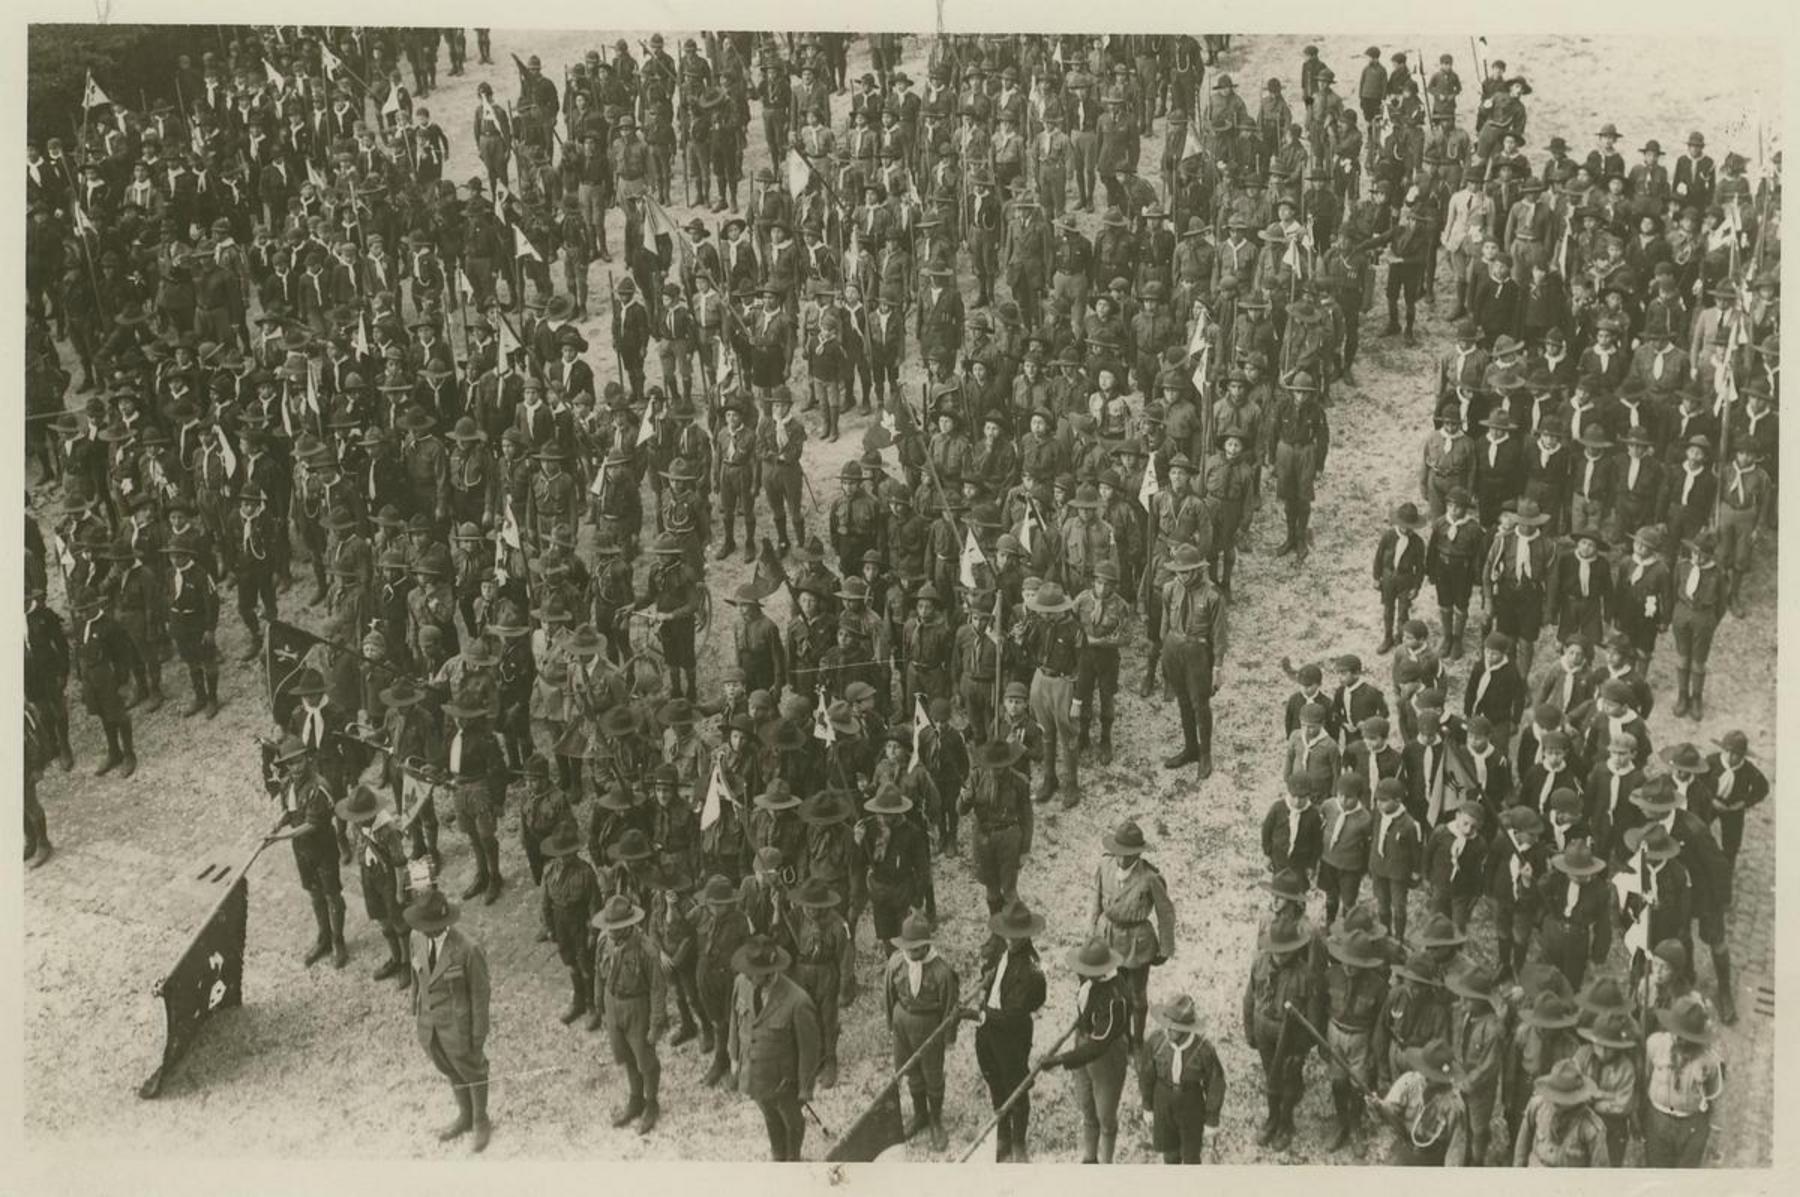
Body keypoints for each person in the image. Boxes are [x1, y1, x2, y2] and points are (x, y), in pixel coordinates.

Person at [406, 888, 493, 1152]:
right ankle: (464, 1116)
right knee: (450, 1069)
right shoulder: (416, 937)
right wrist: (415, 1006)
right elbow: (416, 976)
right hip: (430, 1024)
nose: (427, 931)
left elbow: (480, 995)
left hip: (459, 1026)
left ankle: (480, 1120)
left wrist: (478, 1034)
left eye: (432, 927)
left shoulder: (467, 949)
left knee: (473, 1070)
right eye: (423, 926)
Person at [729, 933, 822, 1161]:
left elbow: (810, 1050)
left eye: (754, 973)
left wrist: (805, 1088)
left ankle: (793, 1157)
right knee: (769, 1114)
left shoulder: (797, 1001)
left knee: (792, 1120)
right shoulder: (742, 983)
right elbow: (735, 1020)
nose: (747, 975)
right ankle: (778, 1154)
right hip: (756, 1074)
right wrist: (734, 1058)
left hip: (784, 1082)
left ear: (769, 972)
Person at [1040, 937, 1133, 1164]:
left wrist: (1060, 1059)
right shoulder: (1088, 978)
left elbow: (1098, 1045)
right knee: (1087, 1107)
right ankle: (1089, 1159)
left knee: (1105, 1116)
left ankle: (1106, 1163)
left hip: (1106, 1055)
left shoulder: (1115, 999)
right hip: (1082, 1043)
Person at [1093, 818, 1178, 1055]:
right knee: (1112, 991)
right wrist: (1093, 933)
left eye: (1128, 853)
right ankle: (1119, 1036)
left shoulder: (1149, 877)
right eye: (1118, 852)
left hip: (1136, 943)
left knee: (1137, 995)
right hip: (1108, 935)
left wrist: (1165, 948)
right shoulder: (1105, 865)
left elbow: (1166, 913)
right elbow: (1096, 900)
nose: (1122, 858)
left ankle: (1137, 1042)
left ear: (1138, 853)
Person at [974, 897, 1049, 1162]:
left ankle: (1018, 1142)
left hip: (1011, 1036)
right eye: (1007, 934)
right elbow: (992, 974)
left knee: (1016, 1087)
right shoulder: (1001, 950)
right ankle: (1003, 1133)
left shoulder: (1031, 968)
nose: (1009, 939)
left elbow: (1014, 1014)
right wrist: (987, 981)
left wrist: (979, 1013)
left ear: (1026, 935)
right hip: (987, 1032)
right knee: (994, 1081)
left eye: (1015, 936)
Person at [1242, 913, 1324, 1150]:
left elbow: (1313, 1018)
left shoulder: (1305, 976)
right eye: (1276, 950)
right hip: (1263, 1026)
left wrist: (1302, 1049)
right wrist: (1249, 1029)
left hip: (1291, 1035)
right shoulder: (1259, 963)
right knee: (1271, 1075)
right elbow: (1249, 997)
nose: (1279, 955)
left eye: (1285, 950)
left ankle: (1286, 1122)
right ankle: (1272, 1117)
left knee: (1288, 1076)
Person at [590, 893, 668, 1134]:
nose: (611, 931)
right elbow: (598, 973)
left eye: (617, 927)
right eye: (609, 926)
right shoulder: (605, 941)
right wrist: (599, 1003)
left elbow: (657, 989)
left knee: (645, 1058)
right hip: (613, 1004)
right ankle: (636, 1099)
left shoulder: (646, 949)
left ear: (629, 925)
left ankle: (652, 1103)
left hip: (637, 1007)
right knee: (625, 1055)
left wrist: (656, 1025)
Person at [883, 912, 961, 1151]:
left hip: (928, 1027)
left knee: (932, 1073)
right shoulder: (896, 962)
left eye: (918, 949)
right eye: (909, 948)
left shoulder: (942, 971)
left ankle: (936, 1118)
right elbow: (888, 994)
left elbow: (950, 1006)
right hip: (902, 1022)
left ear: (927, 945)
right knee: (910, 1069)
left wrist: (948, 1035)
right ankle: (920, 1114)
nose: (913, 953)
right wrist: (891, 1023)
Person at [1158, 544, 1228, 779]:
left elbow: (1219, 636)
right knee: (1183, 701)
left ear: (1197, 570)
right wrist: (1164, 652)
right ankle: (1190, 748)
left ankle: (1205, 753)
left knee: (1200, 704)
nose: (1183, 576)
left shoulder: (1212, 595)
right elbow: (1165, 623)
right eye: (1179, 572)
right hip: (1173, 648)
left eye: (1187, 572)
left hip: (1197, 652)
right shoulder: (1169, 589)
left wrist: (1217, 667)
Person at [1137, 992, 1227, 1164]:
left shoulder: (1204, 1050)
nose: (1167, 1030)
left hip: (1190, 1103)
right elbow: (1146, 1075)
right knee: (1169, 1154)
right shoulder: (1156, 1042)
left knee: (1191, 1156)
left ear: (1186, 1028)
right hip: (1162, 1099)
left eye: (1174, 1027)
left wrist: (1211, 1119)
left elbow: (1215, 1083)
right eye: (1166, 1024)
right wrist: (1147, 1106)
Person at [1642, 993, 1725, 1166]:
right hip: (1658, 1120)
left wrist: (1714, 1134)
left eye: (1687, 1037)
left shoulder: (1709, 1060)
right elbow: (1646, 1076)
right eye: (1677, 1033)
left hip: (1692, 1125)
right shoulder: (1655, 1044)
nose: (1680, 1040)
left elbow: (1714, 1097)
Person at [1370, 1040, 1472, 1165]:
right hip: (1406, 1147)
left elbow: (1456, 1149)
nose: (1427, 1078)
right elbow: (1390, 1112)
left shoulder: (1454, 1105)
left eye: (1434, 1076)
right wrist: (1378, 1106)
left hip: (1434, 1157)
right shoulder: (1409, 1082)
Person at [1512, 1058, 1608, 1166]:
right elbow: (1521, 1148)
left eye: (1563, 1099)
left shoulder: (1590, 1128)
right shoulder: (1537, 1106)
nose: (1556, 1102)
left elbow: (1600, 1172)